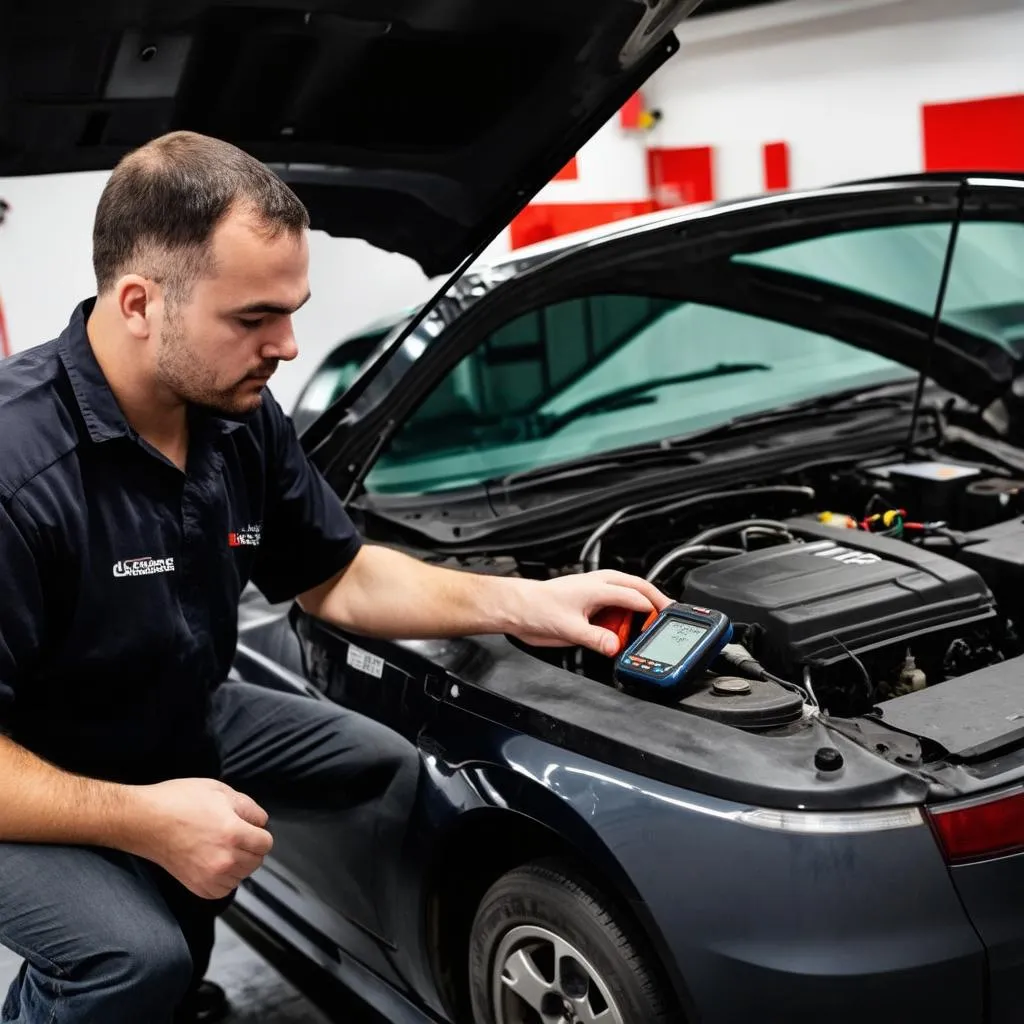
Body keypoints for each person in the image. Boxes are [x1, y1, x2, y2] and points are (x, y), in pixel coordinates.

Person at [0, 130, 670, 1023]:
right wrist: (143, 821)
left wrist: (526, 603)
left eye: (291, 310)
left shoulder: (235, 414)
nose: (286, 346)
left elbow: (339, 577)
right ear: (138, 304)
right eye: (252, 319)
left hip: (171, 714)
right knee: (132, 955)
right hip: (28, 767)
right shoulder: (18, 473)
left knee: (387, 769)